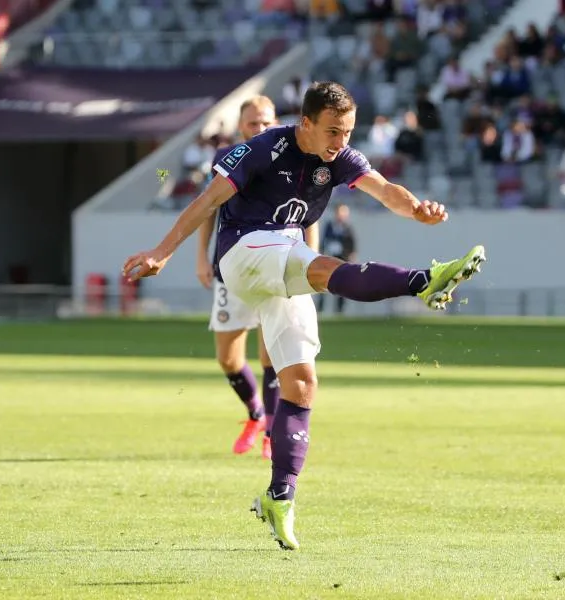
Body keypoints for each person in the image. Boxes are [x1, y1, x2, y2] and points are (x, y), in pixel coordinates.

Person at [122, 81, 486, 551]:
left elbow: (384, 190)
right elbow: (207, 201)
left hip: (284, 255)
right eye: (334, 131)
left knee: (302, 384)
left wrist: (418, 210)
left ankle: (279, 497)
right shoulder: (263, 149)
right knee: (318, 268)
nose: (342, 142)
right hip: (243, 253)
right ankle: (424, 281)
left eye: (349, 131)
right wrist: (162, 251)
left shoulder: (340, 158)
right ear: (306, 124)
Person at [196, 95, 320, 460]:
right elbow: (207, 208)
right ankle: (254, 413)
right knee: (228, 359)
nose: (261, 129)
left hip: (277, 266)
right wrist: (201, 258)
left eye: (267, 122)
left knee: (273, 355)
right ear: (240, 127)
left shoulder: (296, 160)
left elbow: (309, 216)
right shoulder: (227, 160)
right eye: (253, 123)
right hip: (233, 266)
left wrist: (310, 262)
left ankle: (270, 430)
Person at [318, 203, 356, 314]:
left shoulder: (348, 228)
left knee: (342, 284)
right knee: (323, 282)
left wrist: (351, 258)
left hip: (342, 259)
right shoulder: (329, 226)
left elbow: (352, 245)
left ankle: (339, 310)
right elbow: (323, 241)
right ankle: (320, 309)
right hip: (329, 257)